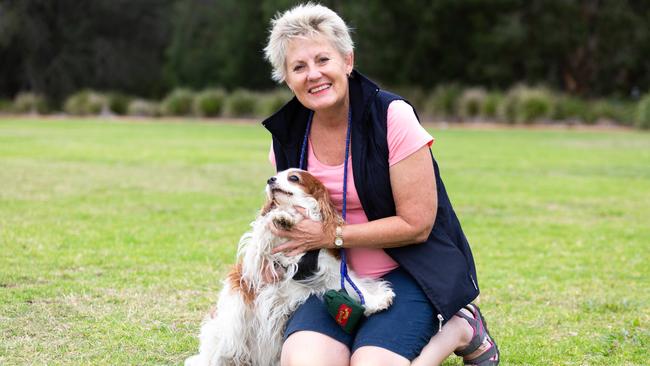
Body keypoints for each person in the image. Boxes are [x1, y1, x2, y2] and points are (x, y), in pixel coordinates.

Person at [261, 4, 499, 366]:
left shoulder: (392, 116)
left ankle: (459, 328)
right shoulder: (287, 133)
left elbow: (417, 225)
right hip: (329, 279)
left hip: (407, 271)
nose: (313, 75)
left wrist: (332, 236)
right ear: (286, 78)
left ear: (347, 61)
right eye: (298, 67)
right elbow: (282, 213)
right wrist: (269, 258)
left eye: (323, 59)